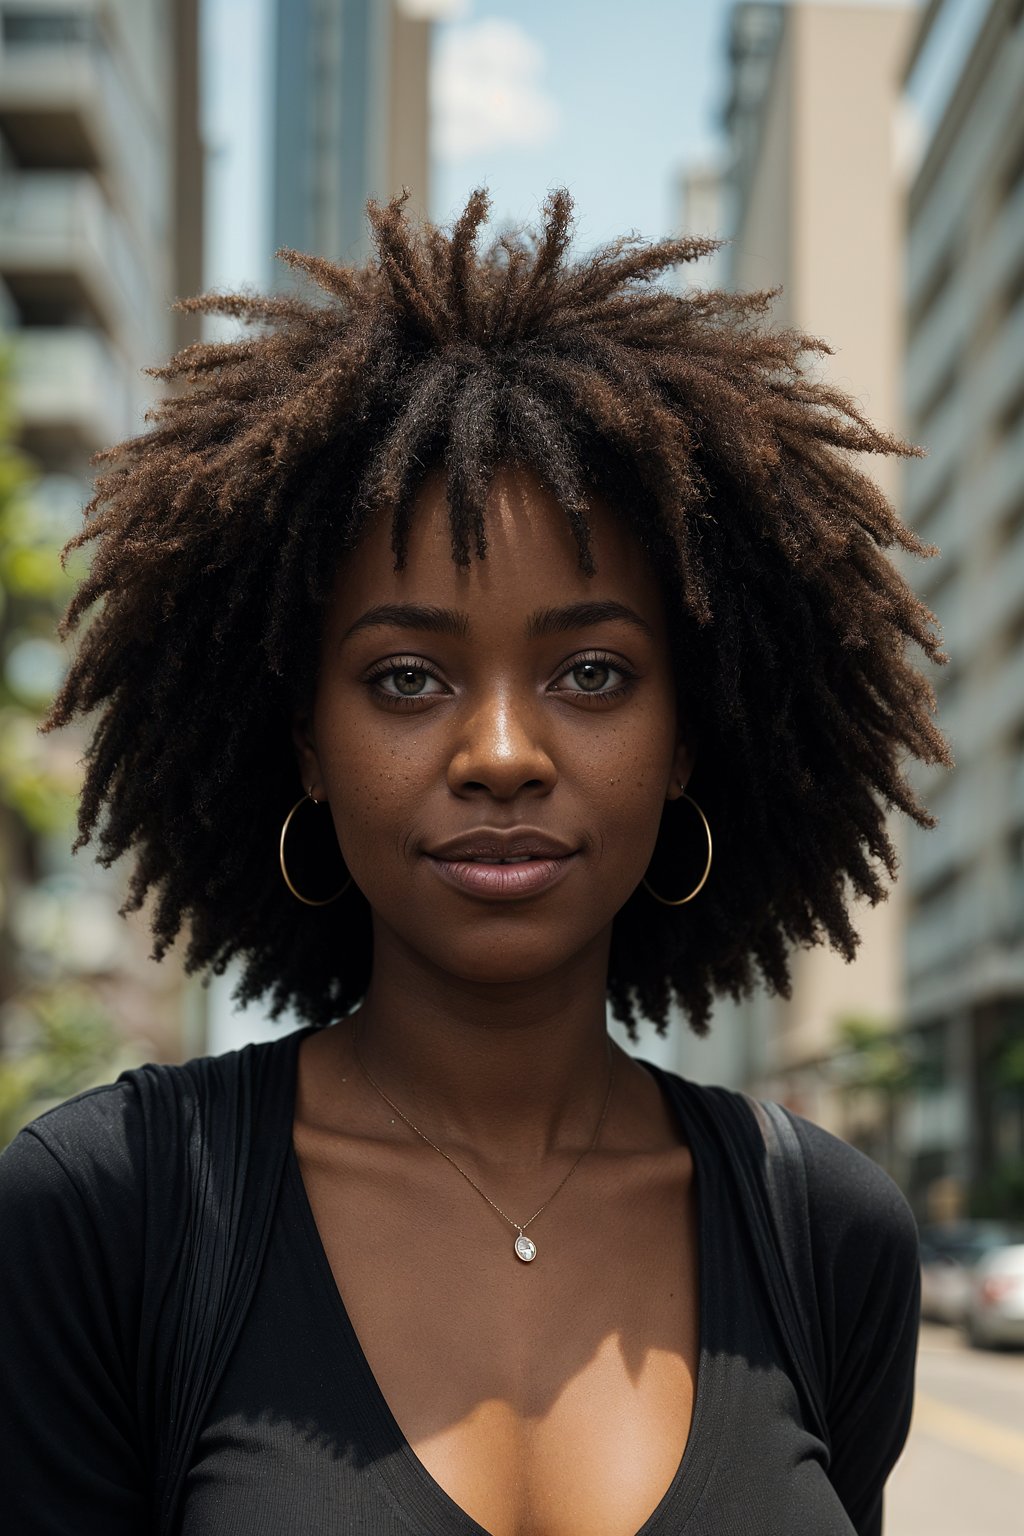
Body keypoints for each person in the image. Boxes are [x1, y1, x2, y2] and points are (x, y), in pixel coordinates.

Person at [0, 189, 949, 1536]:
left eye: (592, 672)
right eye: (404, 677)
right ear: (307, 746)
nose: (501, 751)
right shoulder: (114, 1213)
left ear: (689, 735)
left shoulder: (827, 1237)